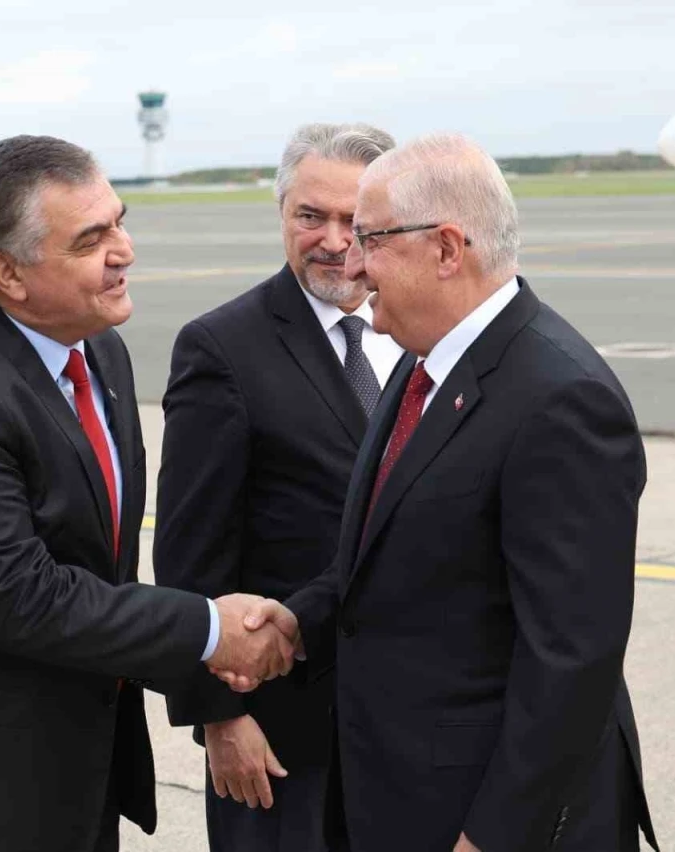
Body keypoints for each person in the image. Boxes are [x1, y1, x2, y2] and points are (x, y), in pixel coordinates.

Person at [0, 135, 294, 852]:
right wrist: (211, 630)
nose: (124, 251)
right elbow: (22, 597)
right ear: (6, 272)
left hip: (69, 775)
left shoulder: (97, 349)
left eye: (120, 222)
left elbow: (98, 564)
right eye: (90, 240)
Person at [232, 134, 660, 852]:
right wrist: (298, 622)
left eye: (370, 239)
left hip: (487, 814)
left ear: (446, 249)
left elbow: (571, 658)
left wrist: (494, 836)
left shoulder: (561, 400)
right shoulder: (424, 361)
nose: (352, 264)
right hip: (404, 794)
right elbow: (391, 560)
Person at [154, 122, 402, 850]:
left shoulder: (423, 334)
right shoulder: (223, 348)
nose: (333, 241)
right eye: (309, 216)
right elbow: (189, 552)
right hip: (284, 730)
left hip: (411, 720)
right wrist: (218, 717)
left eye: (354, 220)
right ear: (281, 214)